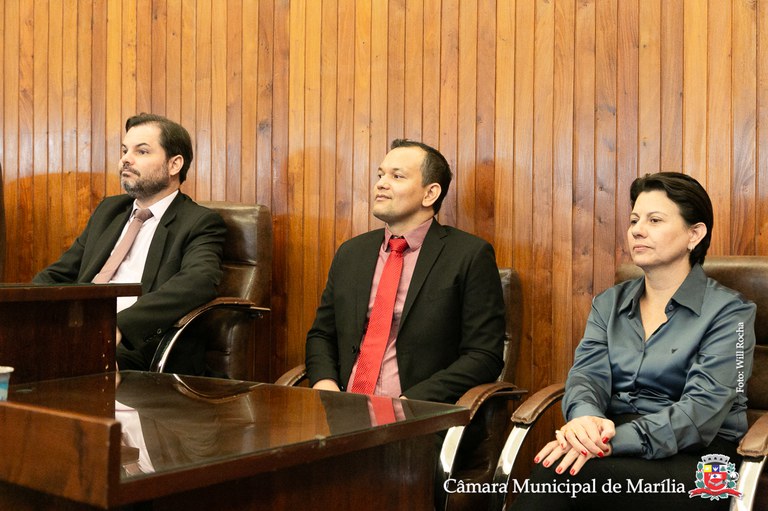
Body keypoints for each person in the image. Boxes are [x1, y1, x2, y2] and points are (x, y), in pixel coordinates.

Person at [511, 172, 756, 510]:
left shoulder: (731, 312)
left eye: (655, 220)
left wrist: (609, 441)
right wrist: (584, 421)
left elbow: (700, 413)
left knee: (563, 474)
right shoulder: (609, 304)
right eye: (634, 220)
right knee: (561, 469)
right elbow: (587, 377)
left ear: (694, 234)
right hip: (617, 442)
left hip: (704, 459)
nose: (637, 230)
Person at [305, 139, 506, 404]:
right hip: (343, 408)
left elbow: (484, 356)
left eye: (396, 176)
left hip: (418, 411)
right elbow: (322, 335)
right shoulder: (351, 253)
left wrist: (410, 401)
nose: (381, 184)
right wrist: (325, 384)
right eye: (380, 175)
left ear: (430, 194)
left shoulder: (469, 255)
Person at [33, 113, 226, 375]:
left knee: (63, 359)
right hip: (81, 330)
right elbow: (61, 273)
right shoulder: (109, 211)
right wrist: (20, 310)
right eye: (125, 150)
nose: (125, 159)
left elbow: (199, 282)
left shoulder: (199, 222)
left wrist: (118, 326)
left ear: (174, 164)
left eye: (141, 151)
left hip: (139, 344)